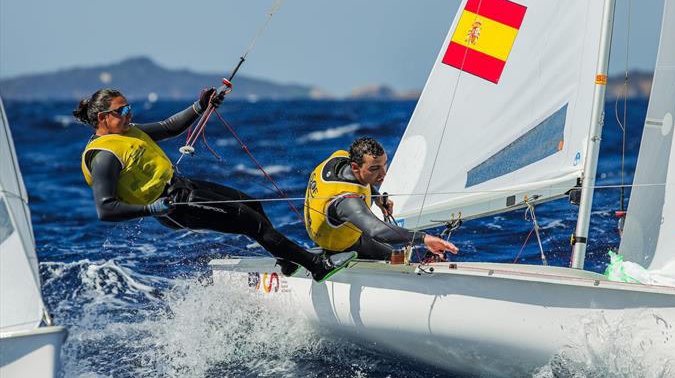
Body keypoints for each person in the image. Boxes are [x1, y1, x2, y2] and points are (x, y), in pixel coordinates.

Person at [74, 88, 353, 282]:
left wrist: (201, 105)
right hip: (175, 206)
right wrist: (152, 209)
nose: (129, 114)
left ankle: (287, 260)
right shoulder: (103, 156)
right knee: (254, 224)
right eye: (122, 110)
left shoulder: (127, 131)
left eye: (129, 108)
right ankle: (315, 266)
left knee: (253, 204)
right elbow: (106, 209)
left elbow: (170, 127)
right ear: (102, 118)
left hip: (184, 188)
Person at [304, 136, 459, 261]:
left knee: (395, 251)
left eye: (384, 165)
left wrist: (376, 197)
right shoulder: (347, 201)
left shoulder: (340, 157)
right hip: (340, 244)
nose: (383, 174)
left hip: (332, 228)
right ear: (355, 167)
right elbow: (376, 230)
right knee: (398, 259)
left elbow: (358, 181)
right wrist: (424, 238)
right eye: (375, 168)